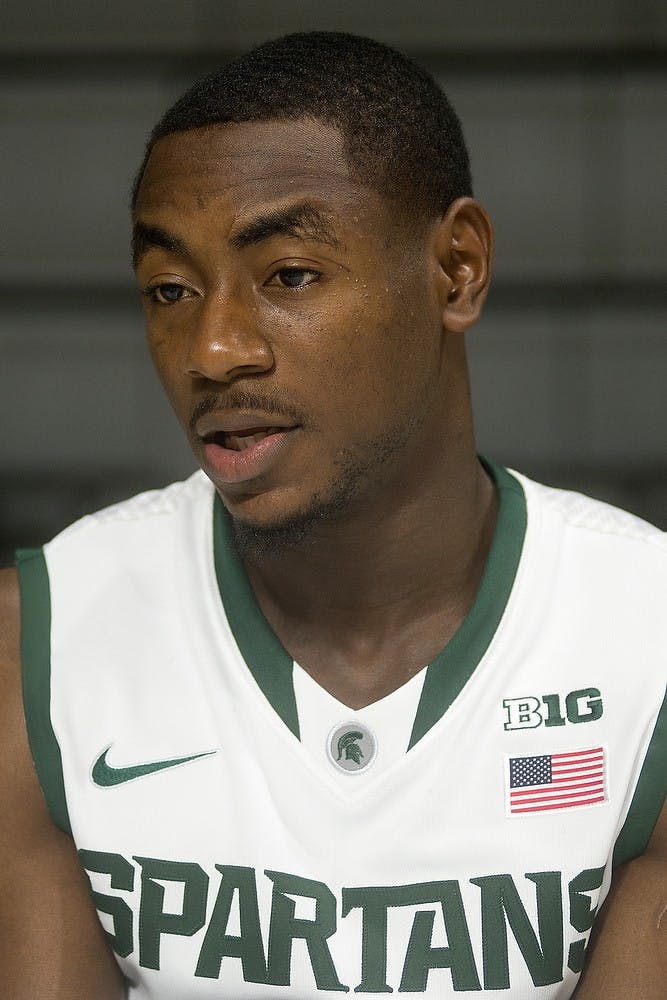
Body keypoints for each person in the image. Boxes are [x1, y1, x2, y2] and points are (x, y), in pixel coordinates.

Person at [0, 30, 664, 1000]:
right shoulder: (38, 648)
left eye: (289, 275)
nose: (213, 348)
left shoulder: (646, 641)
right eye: (169, 290)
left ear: (457, 269)